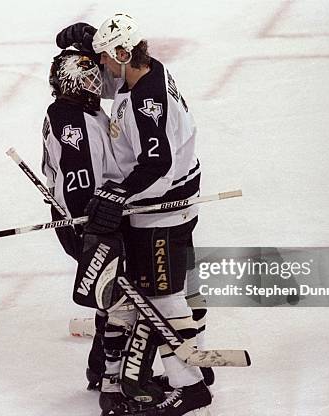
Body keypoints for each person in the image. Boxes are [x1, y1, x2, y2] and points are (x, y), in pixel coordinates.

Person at [57, 13, 212, 416]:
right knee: (167, 290)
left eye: (105, 59)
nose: (102, 70)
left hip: (163, 209)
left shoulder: (146, 102)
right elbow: (108, 84)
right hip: (172, 201)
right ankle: (193, 367)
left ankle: (191, 387)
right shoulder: (145, 72)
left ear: (124, 53)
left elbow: (156, 164)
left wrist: (117, 195)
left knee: (162, 296)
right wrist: (93, 41)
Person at [40, 48, 123, 393]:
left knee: (113, 288)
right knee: (117, 290)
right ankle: (108, 373)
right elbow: (80, 180)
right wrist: (91, 225)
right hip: (86, 220)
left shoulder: (74, 109)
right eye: (86, 79)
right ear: (71, 85)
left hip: (85, 215)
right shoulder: (73, 120)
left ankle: (99, 366)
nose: (95, 84)